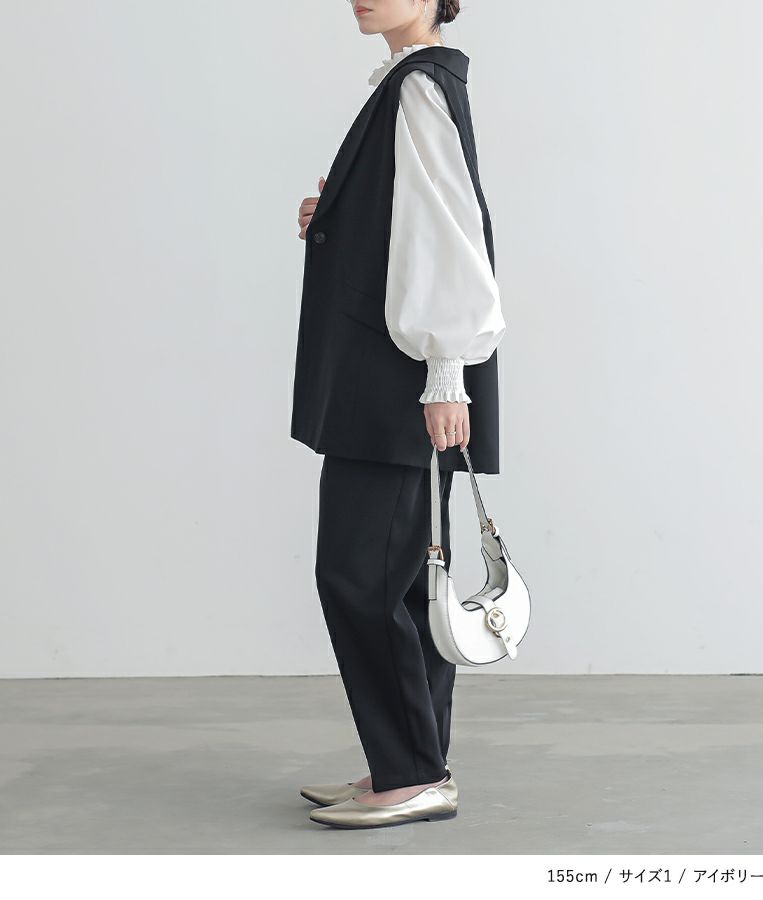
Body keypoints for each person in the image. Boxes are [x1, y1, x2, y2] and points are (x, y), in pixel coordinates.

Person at [290, 0, 506, 829]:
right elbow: (406, 223)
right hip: (395, 377)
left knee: (361, 575)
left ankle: (413, 773)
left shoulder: (419, 87)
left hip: (400, 383)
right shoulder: (410, 83)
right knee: (400, 580)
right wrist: (335, 222)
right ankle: (409, 762)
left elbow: (450, 234)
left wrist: (447, 373)